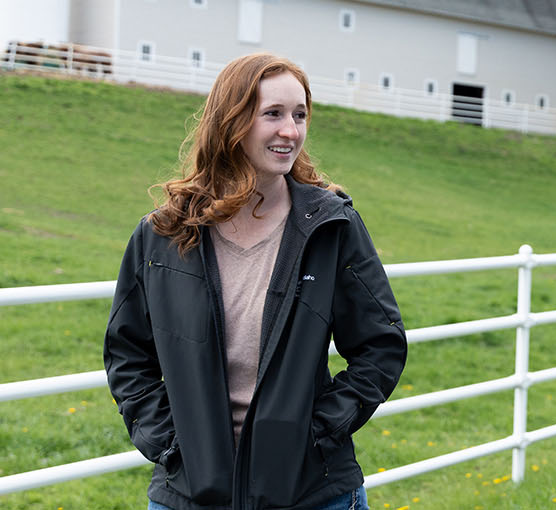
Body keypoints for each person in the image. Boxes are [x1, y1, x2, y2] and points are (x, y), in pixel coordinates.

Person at [104, 53, 407, 510]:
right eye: (273, 114)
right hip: (190, 493)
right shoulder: (163, 235)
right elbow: (128, 354)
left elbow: (381, 345)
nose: (291, 130)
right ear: (232, 121)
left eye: (300, 115)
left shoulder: (330, 226)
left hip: (311, 492)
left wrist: (318, 433)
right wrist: (169, 444)